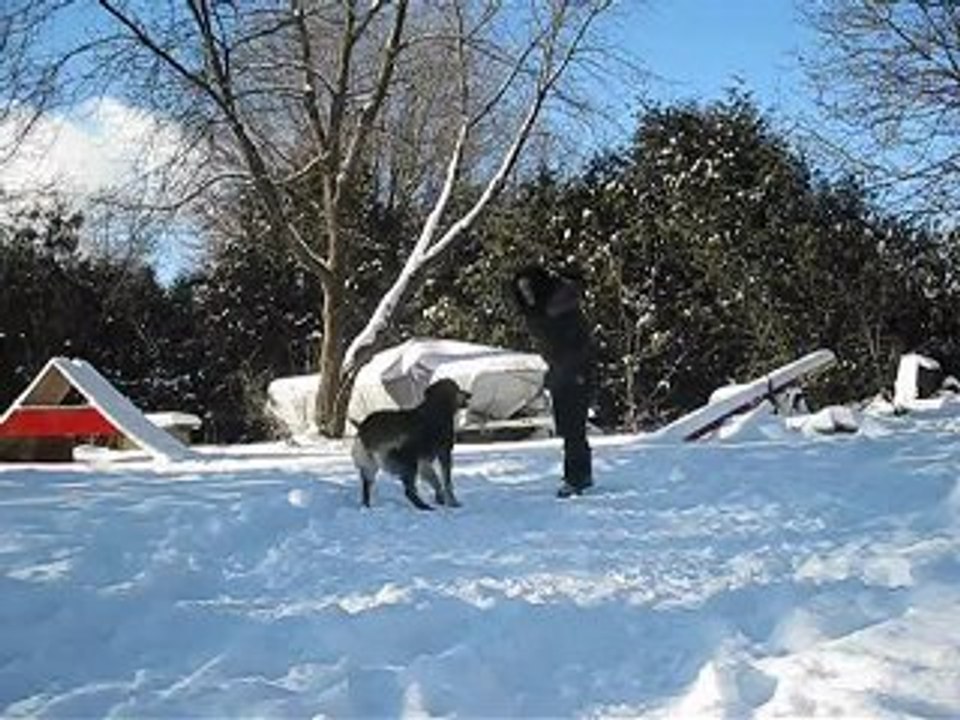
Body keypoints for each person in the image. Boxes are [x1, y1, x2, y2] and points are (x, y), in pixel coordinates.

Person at [510, 264, 595, 498]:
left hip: (575, 371)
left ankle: (575, 478)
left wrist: (572, 369)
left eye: (529, 287)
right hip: (560, 371)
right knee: (570, 428)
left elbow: (578, 343)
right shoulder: (537, 309)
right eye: (521, 289)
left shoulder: (560, 307)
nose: (526, 292)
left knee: (572, 427)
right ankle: (581, 475)